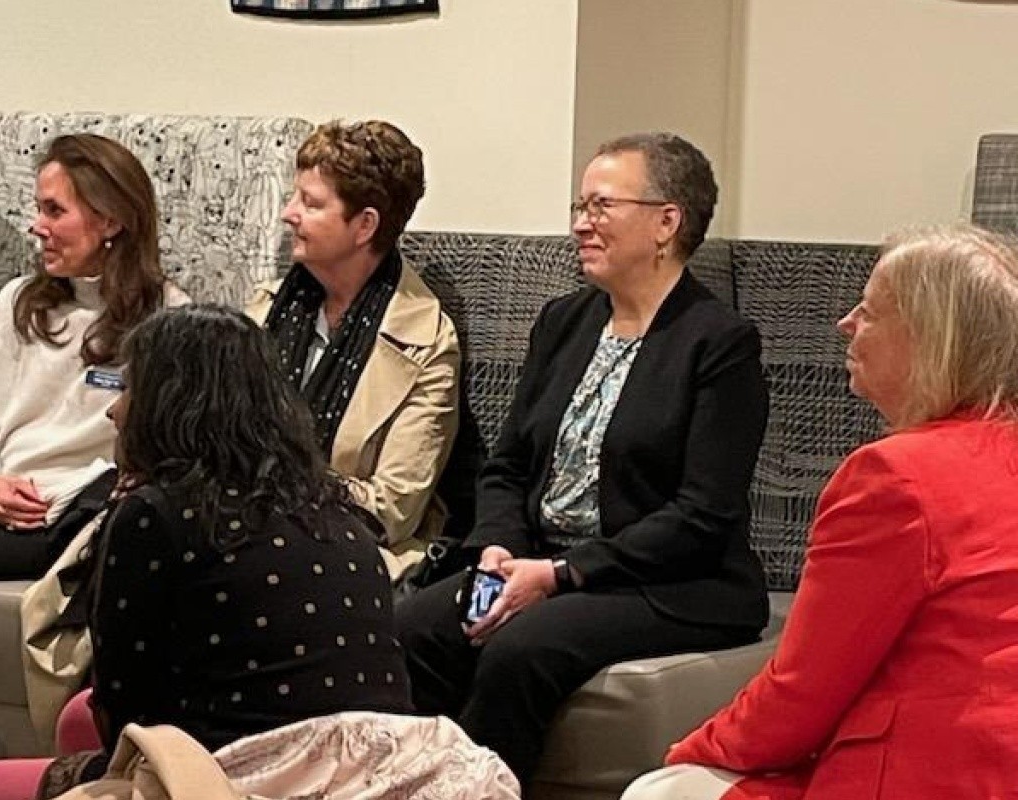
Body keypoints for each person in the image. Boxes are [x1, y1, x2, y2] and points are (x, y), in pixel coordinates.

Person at [395, 132, 770, 789]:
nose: (579, 224)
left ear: (666, 221)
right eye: (578, 205)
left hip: (672, 581)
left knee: (519, 650)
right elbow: (508, 466)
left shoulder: (719, 344)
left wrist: (560, 574)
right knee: (409, 626)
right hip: (535, 558)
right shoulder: (564, 322)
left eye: (600, 207)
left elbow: (702, 514)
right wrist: (498, 551)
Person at [621, 224, 1018, 800]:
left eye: (870, 310)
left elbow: (802, 692)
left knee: (662, 791)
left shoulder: (895, 478)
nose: (846, 324)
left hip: (926, 775)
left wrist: (690, 751)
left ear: (929, 338)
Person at [0, 305, 412, 800]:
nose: (113, 410)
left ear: (170, 403)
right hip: (374, 775)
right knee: (74, 720)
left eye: (129, 389)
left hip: (237, 781)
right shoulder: (342, 514)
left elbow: (127, 714)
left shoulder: (156, 514)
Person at [245, 119, 460, 580]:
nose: (288, 213)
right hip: (237, 525)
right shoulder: (265, 310)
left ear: (364, 225)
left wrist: (263, 482)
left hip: (343, 550)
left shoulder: (426, 345)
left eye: (311, 203)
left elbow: (392, 509)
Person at [0, 133, 186, 578]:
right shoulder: (15, 301)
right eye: (39, 208)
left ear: (111, 222)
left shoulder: (169, 317)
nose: (37, 226)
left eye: (54, 211)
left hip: (84, 513)